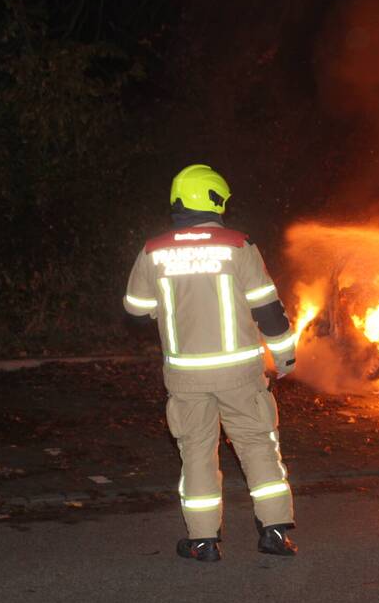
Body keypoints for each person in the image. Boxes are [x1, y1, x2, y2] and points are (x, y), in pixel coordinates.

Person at [123, 164, 298, 562]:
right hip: (240, 374)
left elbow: (135, 310)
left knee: (197, 453)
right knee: (257, 447)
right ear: (216, 200)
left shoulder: (154, 251)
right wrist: (284, 356)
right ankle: (274, 533)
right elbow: (268, 310)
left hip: (185, 376)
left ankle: (203, 542)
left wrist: (169, 306)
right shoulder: (239, 245)